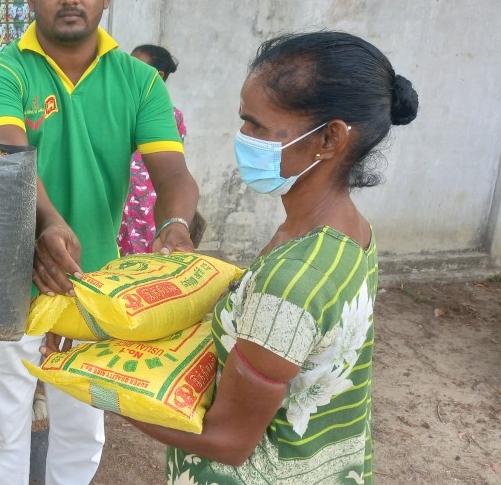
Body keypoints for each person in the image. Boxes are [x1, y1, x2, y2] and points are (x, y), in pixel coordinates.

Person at [120, 31, 419, 485]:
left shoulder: (292, 277)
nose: (243, 137)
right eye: (244, 121)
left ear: (330, 138)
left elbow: (227, 440)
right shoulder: (345, 232)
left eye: (257, 125)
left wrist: (100, 387)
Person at [0, 0, 199, 485]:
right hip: (6, 277)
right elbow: (7, 159)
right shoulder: (0, 72)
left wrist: (176, 224)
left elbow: (172, 172)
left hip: (92, 282)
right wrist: (46, 224)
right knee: (3, 423)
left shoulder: (140, 82)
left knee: (83, 424)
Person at [118, 44, 189, 255]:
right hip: (120, 195)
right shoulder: (121, 109)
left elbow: (171, 169)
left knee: (140, 252)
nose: (126, 72)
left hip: (143, 201)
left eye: (135, 66)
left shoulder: (169, 115)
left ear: (157, 75)